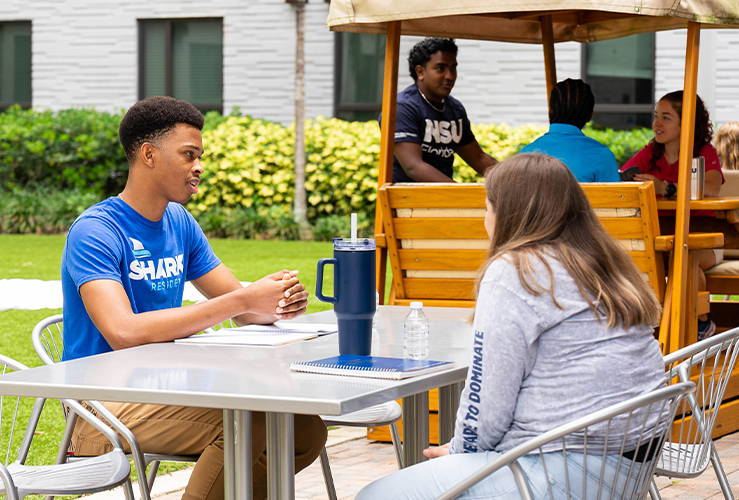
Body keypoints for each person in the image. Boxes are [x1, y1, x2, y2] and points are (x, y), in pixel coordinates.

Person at [61, 96, 327, 500]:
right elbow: (123, 332)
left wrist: (274, 302)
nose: (198, 166)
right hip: (101, 404)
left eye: (200, 156)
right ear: (148, 154)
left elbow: (241, 305)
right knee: (250, 422)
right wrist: (243, 302)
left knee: (306, 429)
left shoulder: (179, 222)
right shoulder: (96, 231)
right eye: (189, 155)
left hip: (166, 386)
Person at [356, 154, 666, 500]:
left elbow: (488, 404)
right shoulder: (601, 260)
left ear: (507, 215)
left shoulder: (516, 271)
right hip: (633, 461)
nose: (485, 219)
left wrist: (459, 453)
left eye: (486, 207)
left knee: (375, 495)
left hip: (564, 467)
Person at [622, 90, 725, 340]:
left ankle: (702, 322)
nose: (656, 123)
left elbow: (711, 189)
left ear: (686, 121)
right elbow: (623, 177)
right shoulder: (650, 152)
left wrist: (665, 188)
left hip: (705, 238)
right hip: (662, 240)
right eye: (656, 116)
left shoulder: (703, 152)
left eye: (666, 118)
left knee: (683, 256)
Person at [386, 37, 498, 182]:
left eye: (453, 68)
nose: (450, 76)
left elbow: (478, 158)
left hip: (444, 199)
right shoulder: (403, 107)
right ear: (420, 72)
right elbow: (413, 167)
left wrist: (513, 181)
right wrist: (458, 193)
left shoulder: (454, 109)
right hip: (406, 201)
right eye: (440, 68)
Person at [519, 78, 620, 182]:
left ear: (550, 110)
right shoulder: (601, 156)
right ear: (590, 116)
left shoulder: (524, 155)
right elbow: (615, 196)